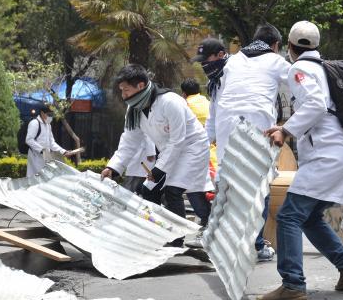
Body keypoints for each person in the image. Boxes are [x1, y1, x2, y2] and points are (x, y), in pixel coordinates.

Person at [257, 21, 343, 300]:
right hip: (342, 153)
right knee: (311, 217)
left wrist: (285, 130)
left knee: (289, 215)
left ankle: (292, 283)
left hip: (326, 155)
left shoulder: (299, 69)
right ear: (316, 45)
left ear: (289, 47)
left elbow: (315, 105)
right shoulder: (326, 68)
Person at [101, 64, 210, 247]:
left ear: (141, 86)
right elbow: (129, 141)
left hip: (191, 149)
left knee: (172, 191)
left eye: (126, 90)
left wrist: (159, 169)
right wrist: (113, 167)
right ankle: (156, 232)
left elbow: (178, 140)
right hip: (169, 152)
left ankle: (176, 239)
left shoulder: (170, 102)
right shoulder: (133, 110)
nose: (123, 95)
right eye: (122, 91)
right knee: (148, 190)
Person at [209, 24, 291, 262]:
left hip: (227, 126)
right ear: (275, 45)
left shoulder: (232, 61)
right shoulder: (275, 62)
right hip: (257, 125)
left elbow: (216, 96)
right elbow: (300, 84)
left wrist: (213, 132)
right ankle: (256, 245)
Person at [179, 78, 213, 232]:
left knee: (193, 189)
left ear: (184, 93)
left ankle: (207, 219)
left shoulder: (185, 105)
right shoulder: (208, 102)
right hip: (215, 152)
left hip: (197, 153)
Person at [25, 106, 72, 177]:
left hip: (46, 156)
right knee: (35, 178)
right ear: (42, 113)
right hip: (35, 157)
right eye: (49, 115)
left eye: (52, 115)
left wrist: (63, 151)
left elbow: (51, 142)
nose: (51, 117)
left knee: (44, 178)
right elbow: (29, 140)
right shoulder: (34, 123)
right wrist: (42, 150)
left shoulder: (48, 125)